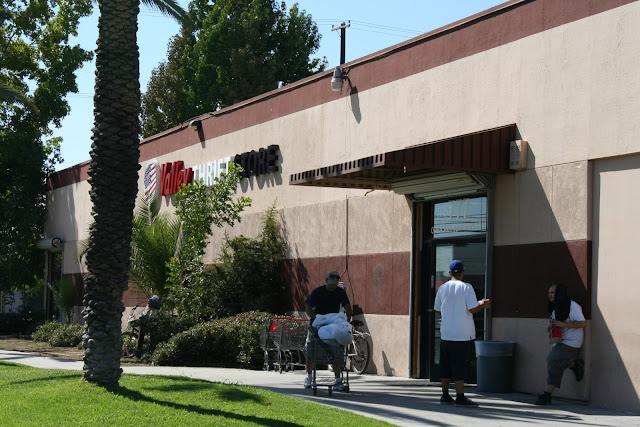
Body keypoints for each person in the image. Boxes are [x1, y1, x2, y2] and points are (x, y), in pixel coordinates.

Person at [434, 260, 490, 407]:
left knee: (445, 366)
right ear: (463, 272)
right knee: (460, 366)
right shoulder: (466, 287)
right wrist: (482, 305)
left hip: (446, 334)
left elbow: (438, 310)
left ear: (450, 273)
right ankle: (460, 396)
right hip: (463, 335)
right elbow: (472, 308)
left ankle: (445, 395)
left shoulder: (442, 288)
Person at [534, 283, 585, 405]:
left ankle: (547, 395)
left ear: (559, 294)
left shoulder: (573, 306)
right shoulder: (555, 307)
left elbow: (582, 323)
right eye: (549, 293)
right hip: (560, 341)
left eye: (552, 292)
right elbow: (557, 323)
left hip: (572, 342)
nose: (549, 295)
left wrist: (563, 324)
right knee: (555, 362)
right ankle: (574, 364)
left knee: (552, 360)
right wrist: (552, 327)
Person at [304, 270, 353, 391]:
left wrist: (346, 322)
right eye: (331, 284)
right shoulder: (317, 292)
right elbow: (308, 308)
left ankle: (338, 380)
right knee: (311, 351)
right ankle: (309, 377)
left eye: (335, 284)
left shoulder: (340, 292)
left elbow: (348, 308)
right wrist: (316, 319)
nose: (333, 286)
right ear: (326, 281)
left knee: (335, 352)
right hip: (317, 324)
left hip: (333, 324)